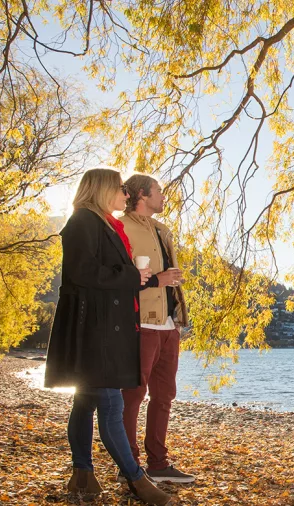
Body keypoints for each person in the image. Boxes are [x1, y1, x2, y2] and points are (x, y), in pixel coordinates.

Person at [44, 168, 171, 505]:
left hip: (102, 325)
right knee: (112, 403)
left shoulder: (102, 223)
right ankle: (136, 479)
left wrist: (138, 277)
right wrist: (132, 274)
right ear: (102, 189)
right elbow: (82, 272)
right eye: (120, 189)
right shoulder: (83, 221)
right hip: (93, 328)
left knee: (85, 402)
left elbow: (102, 274)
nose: (126, 194)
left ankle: (82, 474)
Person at [119, 173, 194, 483]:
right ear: (142, 194)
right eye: (159, 191)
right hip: (141, 321)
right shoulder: (121, 227)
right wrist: (157, 280)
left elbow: (167, 277)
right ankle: (128, 466)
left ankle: (159, 464)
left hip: (168, 324)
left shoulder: (163, 230)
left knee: (164, 395)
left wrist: (178, 314)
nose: (163, 196)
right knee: (133, 394)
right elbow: (118, 276)